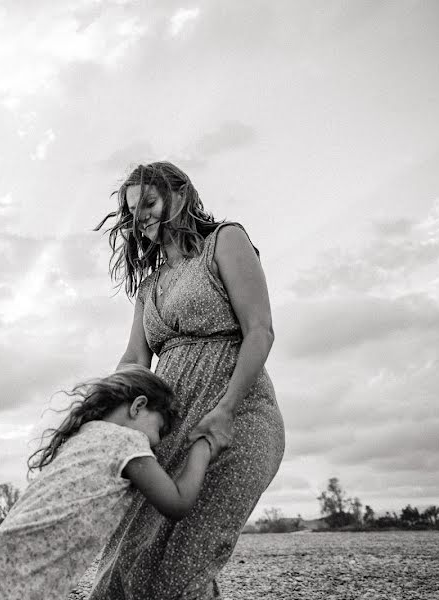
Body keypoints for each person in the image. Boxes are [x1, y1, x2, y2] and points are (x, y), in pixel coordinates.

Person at [88, 162, 285, 599]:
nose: (141, 217)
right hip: (168, 430)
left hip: (234, 421)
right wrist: (96, 413)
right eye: (133, 210)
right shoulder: (150, 285)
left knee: (186, 561)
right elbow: (135, 359)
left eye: (150, 203)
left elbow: (260, 330)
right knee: (131, 557)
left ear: (180, 195)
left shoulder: (226, 241)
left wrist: (226, 411)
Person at [0, 365, 228, 600]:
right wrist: (202, 449)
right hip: (3, 583)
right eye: (159, 430)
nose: (155, 446)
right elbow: (176, 503)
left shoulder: (84, 436)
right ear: (138, 406)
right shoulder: (128, 441)